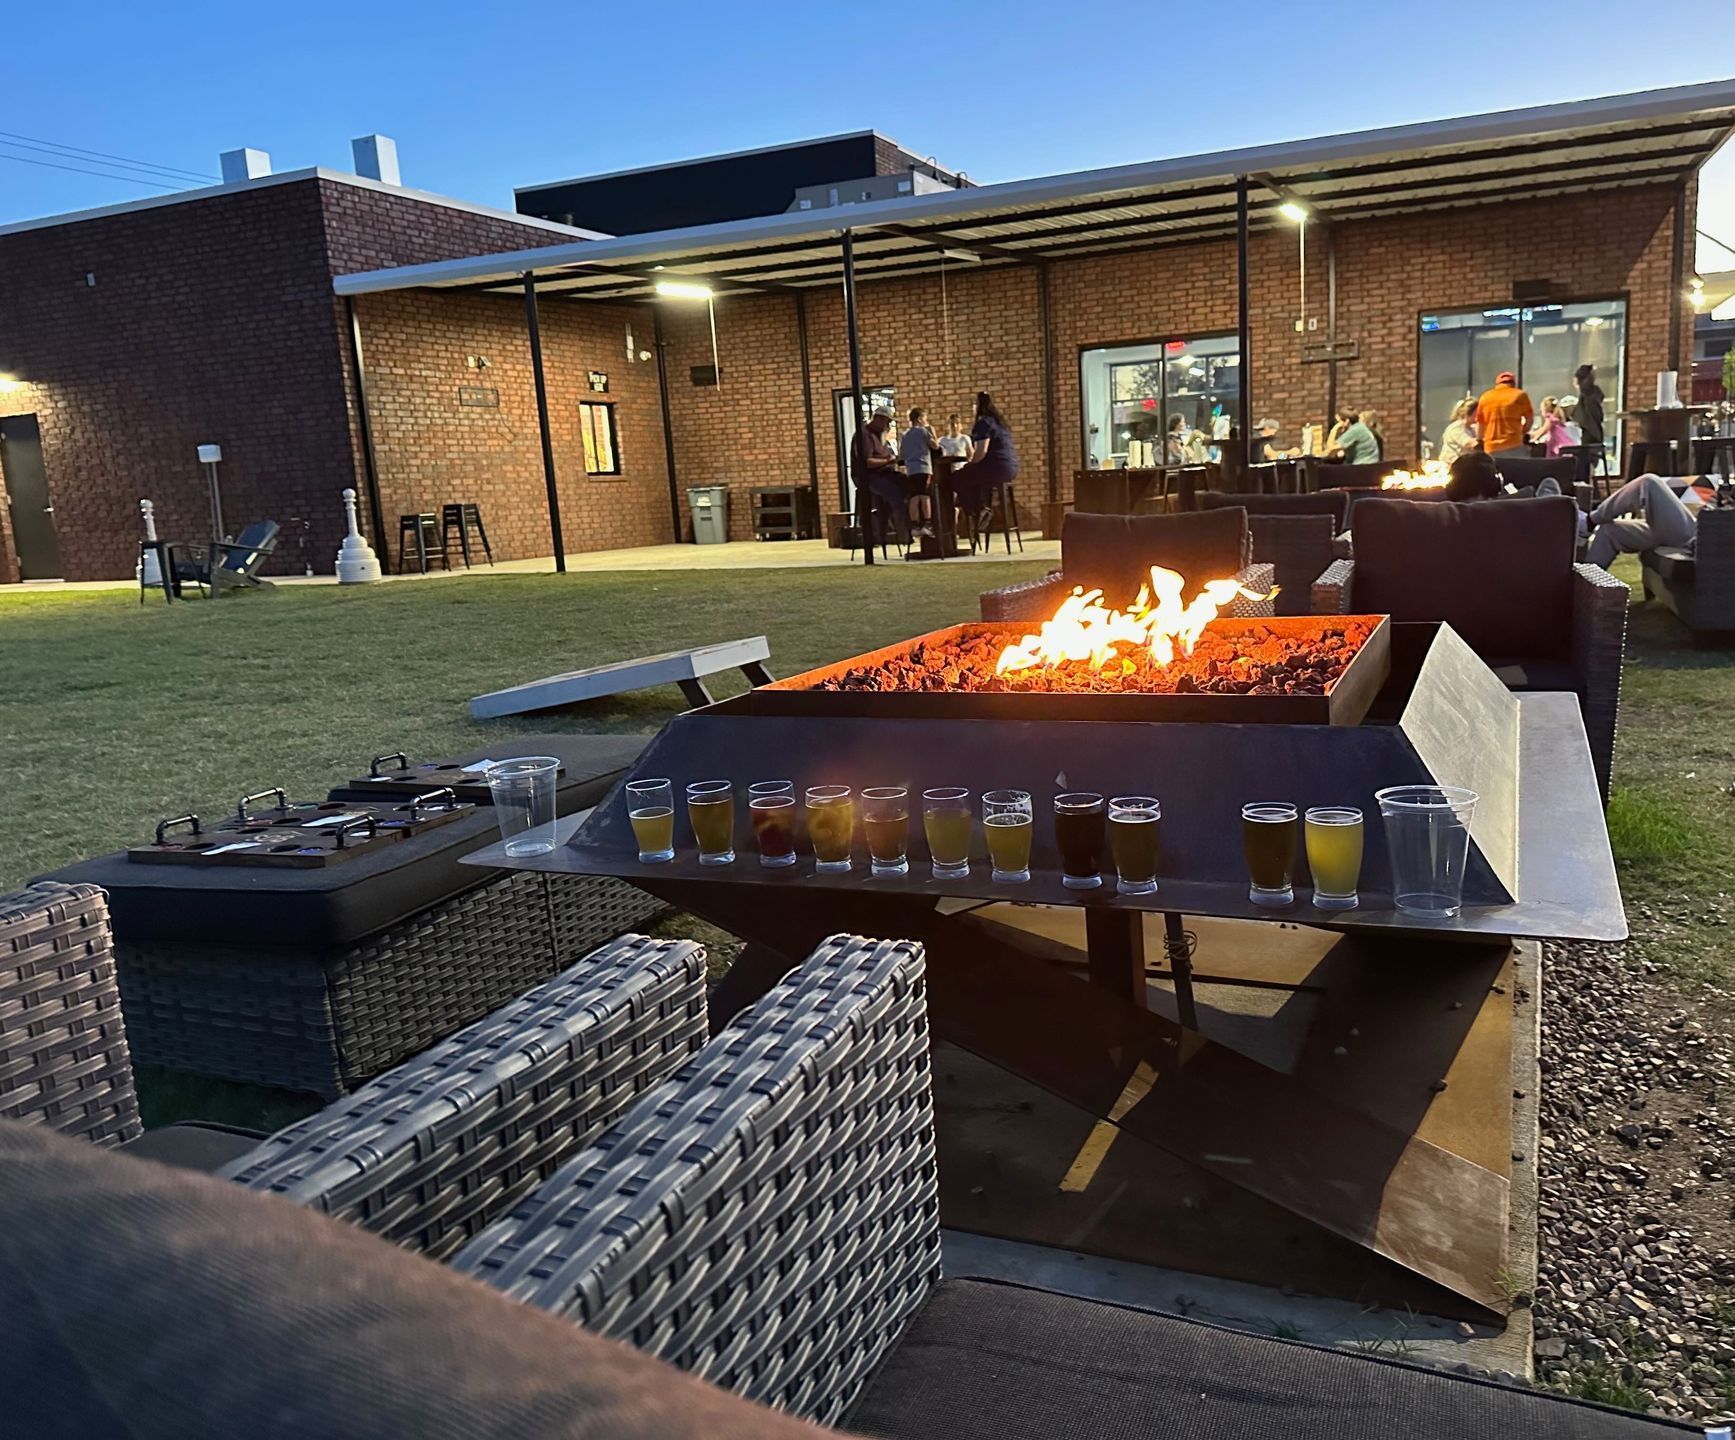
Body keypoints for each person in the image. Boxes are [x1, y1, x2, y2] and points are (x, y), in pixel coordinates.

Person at [1585, 473, 1711, 569]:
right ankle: (1582, 587)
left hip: (1696, 538)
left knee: (1649, 482)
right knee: (1610, 530)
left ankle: (1589, 521)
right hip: (1696, 529)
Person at [849, 404, 910, 541]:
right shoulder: (864, 435)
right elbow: (867, 462)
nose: (888, 426)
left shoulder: (880, 436)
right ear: (877, 419)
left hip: (883, 473)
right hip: (867, 476)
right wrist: (888, 461)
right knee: (894, 492)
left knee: (908, 484)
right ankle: (901, 530)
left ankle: (885, 518)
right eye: (887, 422)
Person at [962, 390, 1020, 531]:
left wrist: (970, 463)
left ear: (977, 406)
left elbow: (981, 452)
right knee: (971, 477)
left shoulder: (983, 423)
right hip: (1010, 468)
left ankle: (978, 511)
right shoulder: (1000, 423)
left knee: (958, 478)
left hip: (995, 468)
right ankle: (982, 507)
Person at [897, 406, 939, 538]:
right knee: (925, 496)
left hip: (911, 470)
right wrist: (932, 432)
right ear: (920, 419)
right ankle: (927, 524)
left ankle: (914, 526)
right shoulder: (923, 431)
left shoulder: (905, 435)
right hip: (924, 468)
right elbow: (935, 446)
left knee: (914, 497)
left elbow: (902, 454)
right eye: (925, 418)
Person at [1475, 371, 1533, 457]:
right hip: (1514, 443)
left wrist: (1479, 441)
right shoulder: (1520, 395)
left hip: (1491, 447)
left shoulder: (1485, 397)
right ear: (1513, 383)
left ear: (1497, 384)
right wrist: (1522, 432)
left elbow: (1480, 424)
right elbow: (1529, 419)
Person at [1574, 363, 1606, 466]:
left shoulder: (1587, 398)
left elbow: (1586, 417)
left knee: (1585, 459)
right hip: (1594, 433)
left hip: (1591, 433)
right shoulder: (1593, 395)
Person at [1439, 398, 1479, 465]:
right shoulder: (1456, 428)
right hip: (1451, 465)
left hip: (1463, 464)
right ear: (1469, 413)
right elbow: (1470, 444)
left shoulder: (1471, 428)